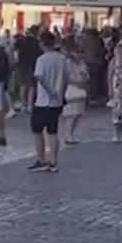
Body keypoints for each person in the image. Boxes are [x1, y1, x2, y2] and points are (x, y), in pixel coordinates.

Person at [29, 31, 68, 173]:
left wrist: (50, 91)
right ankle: (53, 161)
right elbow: (66, 78)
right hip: (57, 101)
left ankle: (41, 159)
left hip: (43, 100)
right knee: (53, 131)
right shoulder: (62, 59)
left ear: (43, 44)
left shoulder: (42, 59)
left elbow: (39, 77)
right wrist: (60, 93)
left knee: (37, 130)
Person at [62, 37, 89, 145]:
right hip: (71, 89)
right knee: (71, 114)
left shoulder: (82, 63)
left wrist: (84, 79)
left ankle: (70, 134)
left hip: (81, 89)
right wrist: (76, 82)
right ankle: (68, 135)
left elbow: (86, 75)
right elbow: (66, 77)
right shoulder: (68, 62)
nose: (79, 55)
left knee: (78, 113)